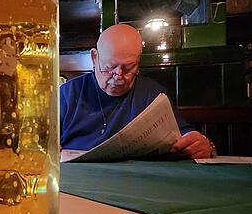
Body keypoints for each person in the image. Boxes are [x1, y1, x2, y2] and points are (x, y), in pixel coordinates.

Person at [60, 24, 215, 159]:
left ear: (138, 63)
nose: (118, 76)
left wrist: (200, 144)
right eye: (109, 67)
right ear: (94, 58)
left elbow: (182, 134)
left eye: (128, 68)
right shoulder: (67, 94)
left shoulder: (152, 94)